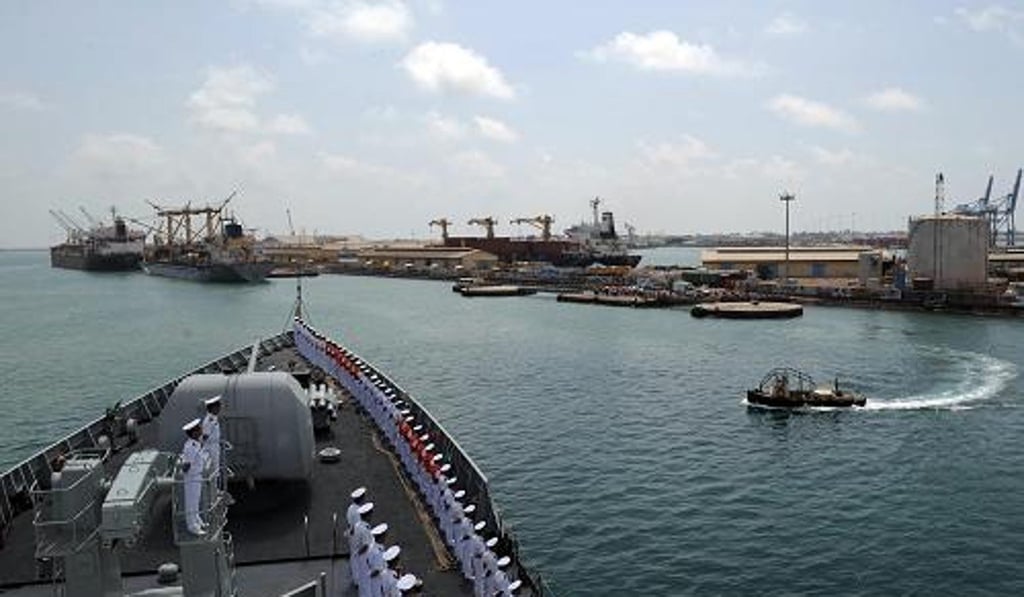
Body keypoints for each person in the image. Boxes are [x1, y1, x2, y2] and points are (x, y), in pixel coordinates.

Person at [180, 418, 208, 536]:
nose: (201, 429)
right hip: (192, 478)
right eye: (199, 428)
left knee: (196, 500)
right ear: (194, 432)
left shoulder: (196, 443)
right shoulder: (190, 447)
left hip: (197, 476)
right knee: (191, 502)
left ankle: (197, 520)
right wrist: (186, 474)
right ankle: (192, 526)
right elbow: (186, 465)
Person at [201, 395, 223, 489]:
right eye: (218, 407)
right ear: (213, 408)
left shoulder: (213, 418)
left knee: (215, 469)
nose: (220, 409)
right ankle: (214, 491)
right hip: (210, 448)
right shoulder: (209, 420)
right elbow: (204, 436)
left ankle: (215, 489)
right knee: (213, 470)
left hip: (214, 447)